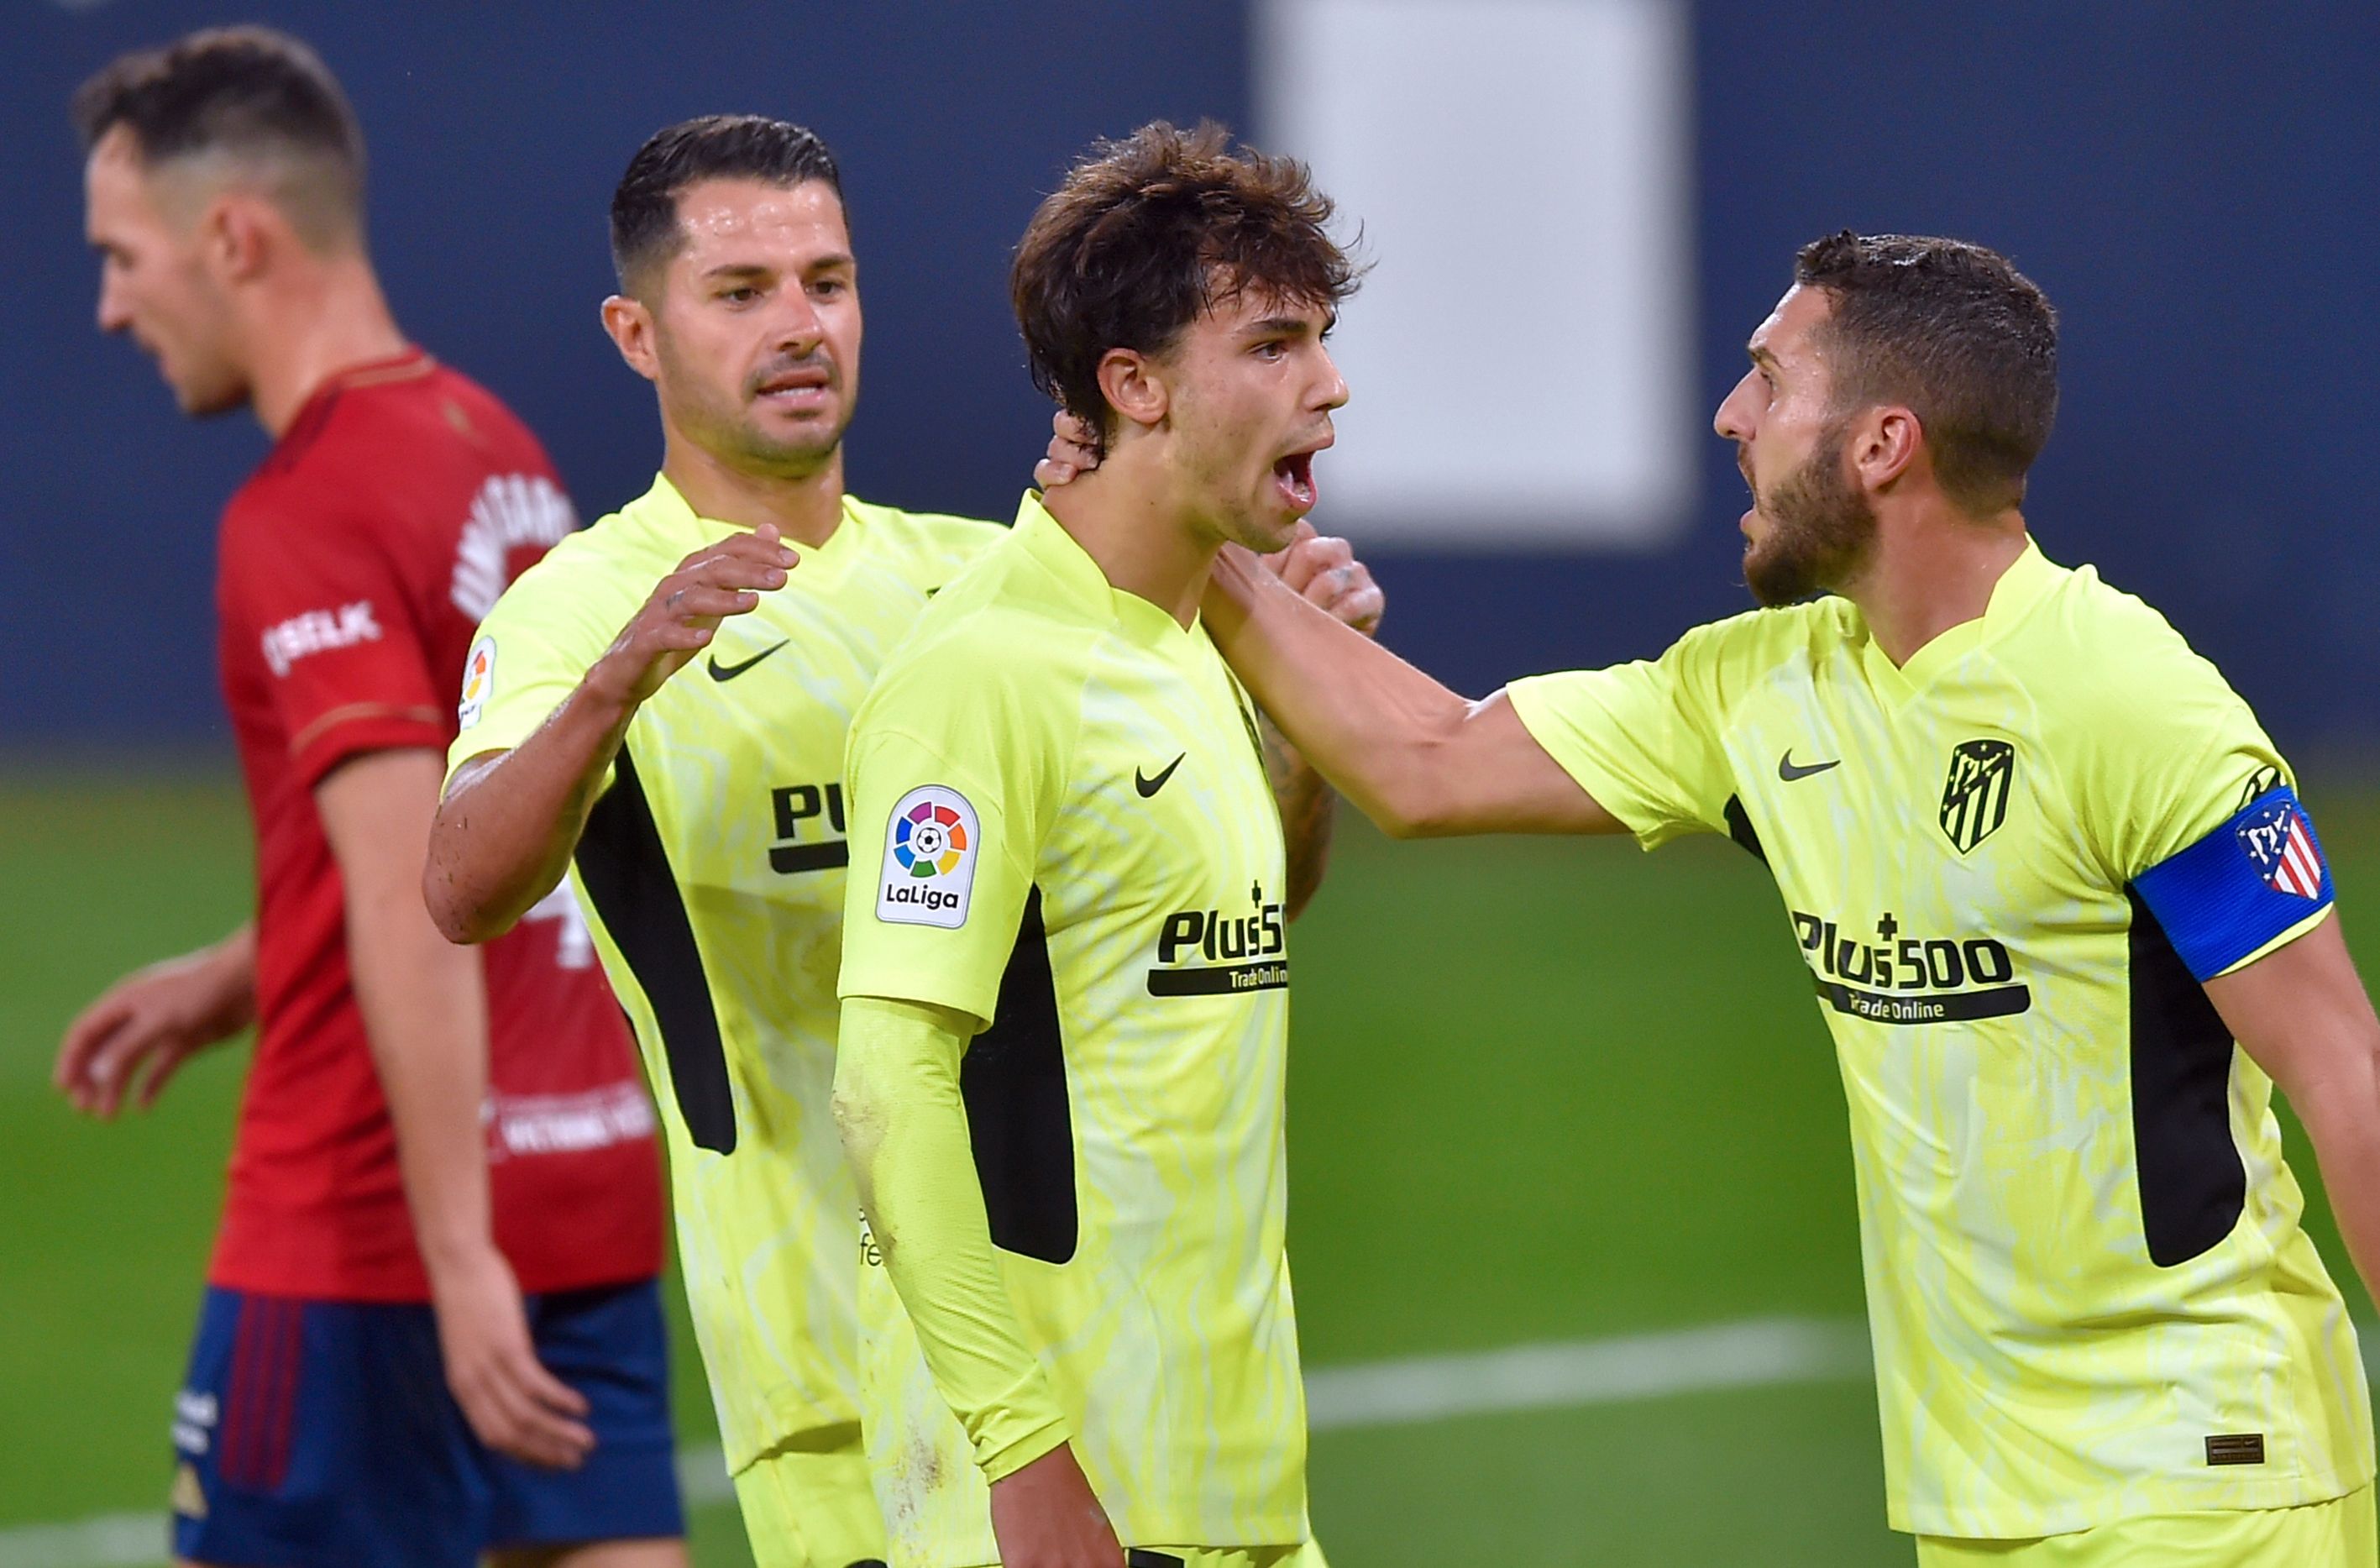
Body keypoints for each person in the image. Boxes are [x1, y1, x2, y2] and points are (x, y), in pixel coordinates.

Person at [1123, 232, 2380, 1566]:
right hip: (1978, 1502)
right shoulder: (1764, 691)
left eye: (1768, 382)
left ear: (1881, 443)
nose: (1728, 418)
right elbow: (1426, 765)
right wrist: (1199, 536)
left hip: (2207, 1482)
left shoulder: (2132, 704)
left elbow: (2342, 1072)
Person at [422, 116, 1381, 1568]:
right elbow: (459, 887)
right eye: (741, 293)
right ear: (637, 332)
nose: (800, 327)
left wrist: (1289, 737)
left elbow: (1217, 919)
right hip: (823, 1379)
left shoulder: (977, 579)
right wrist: (615, 685)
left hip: (1091, 1355)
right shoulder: (578, 608)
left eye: (828, 280)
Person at [54, 29, 683, 1568]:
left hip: (371, 1241)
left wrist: (455, 1254)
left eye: (125, 256)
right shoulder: (493, 448)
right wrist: (239, 970)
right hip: (587, 1183)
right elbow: (494, 840)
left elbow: (418, 881)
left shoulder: (306, 511)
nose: (110, 304)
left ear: (234, 236)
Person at [831, 121, 1378, 1568]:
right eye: (1270, 345)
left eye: (1318, 340)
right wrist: (1024, 1459)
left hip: (1229, 1490)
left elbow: (1223, 929)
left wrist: (1295, 740)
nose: (1327, 385)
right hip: (1054, 1507)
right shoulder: (981, 673)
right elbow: (886, 1082)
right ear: (1130, 386)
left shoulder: (1191, 644)